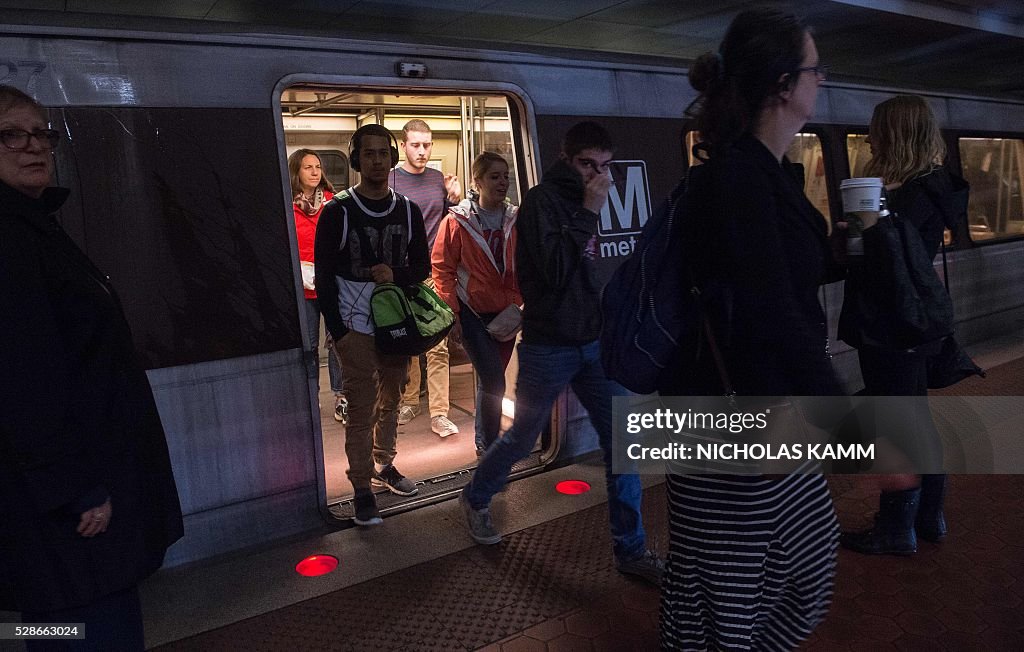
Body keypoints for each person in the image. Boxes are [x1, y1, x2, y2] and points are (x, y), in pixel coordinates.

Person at [659, 11, 842, 650]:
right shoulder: (737, 179)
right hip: (725, 416)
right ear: (785, 84)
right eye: (817, 69)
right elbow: (773, 312)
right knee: (730, 592)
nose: (824, 80)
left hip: (753, 411)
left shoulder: (765, 174)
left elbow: (778, 279)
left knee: (772, 569)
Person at [0, 84, 184, 651]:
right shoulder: (9, 239)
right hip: (67, 504)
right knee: (87, 626)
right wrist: (77, 488)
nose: (34, 146)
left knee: (54, 618)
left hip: (62, 491)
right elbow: (22, 376)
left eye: (41, 133)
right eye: (11, 134)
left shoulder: (32, 223)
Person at [459, 121, 664, 586]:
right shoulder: (541, 203)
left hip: (595, 343)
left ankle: (631, 550)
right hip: (550, 345)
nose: (598, 176)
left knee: (622, 446)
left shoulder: (589, 196)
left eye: (605, 167)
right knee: (521, 438)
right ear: (567, 159)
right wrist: (590, 209)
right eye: (588, 165)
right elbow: (551, 271)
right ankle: (476, 495)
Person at [837, 95, 961, 555]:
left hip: (892, 327)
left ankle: (896, 528)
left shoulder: (907, 195)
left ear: (895, 134)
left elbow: (886, 263)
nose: (869, 137)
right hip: (912, 327)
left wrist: (861, 229)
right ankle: (928, 517)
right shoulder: (932, 187)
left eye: (876, 129)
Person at [315, 124, 430, 525]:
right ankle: (362, 486)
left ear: (392, 158)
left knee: (392, 400)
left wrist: (394, 274)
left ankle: (386, 464)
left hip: (395, 321)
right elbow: (324, 277)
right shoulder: (338, 212)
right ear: (356, 159)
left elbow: (421, 268)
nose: (378, 160)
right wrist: (339, 333)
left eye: (384, 153)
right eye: (369, 154)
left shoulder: (408, 210)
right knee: (361, 408)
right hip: (355, 324)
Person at [432, 152, 522, 456]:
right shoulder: (457, 222)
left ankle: (486, 440)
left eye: (506, 176)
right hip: (471, 312)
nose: (502, 182)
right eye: (495, 177)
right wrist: (451, 314)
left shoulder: (515, 218)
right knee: (494, 379)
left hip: (507, 313)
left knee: (490, 378)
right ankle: (489, 446)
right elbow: (442, 269)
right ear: (477, 181)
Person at [390, 119, 462, 438]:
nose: (422, 150)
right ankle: (409, 400)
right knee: (407, 343)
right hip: (403, 272)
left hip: (435, 269)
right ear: (403, 146)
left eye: (427, 144)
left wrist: (455, 199)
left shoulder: (437, 180)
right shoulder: (392, 180)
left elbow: (451, 221)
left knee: (437, 344)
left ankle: (439, 412)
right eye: (416, 144)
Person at [287, 148, 347, 424]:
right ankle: (310, 396)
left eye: (318, 167)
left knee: (337, 340)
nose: (314, 172)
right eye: (308, 167)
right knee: (308, 345)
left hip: (330, 282)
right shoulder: (287, 205)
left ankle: (341, 395)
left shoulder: (333, 204)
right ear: (296, 172)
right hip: (303, 287)